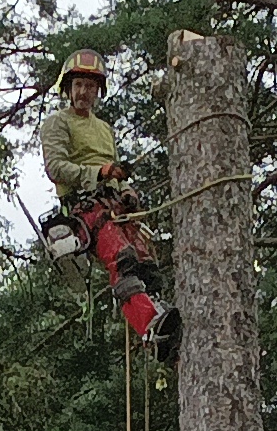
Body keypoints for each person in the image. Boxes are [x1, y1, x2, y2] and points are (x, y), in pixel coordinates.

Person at [34, 48, 178, 359]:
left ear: (99, 91)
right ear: (68, 89)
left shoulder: (103, 129)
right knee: (123, 260)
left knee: (147, 267)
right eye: (78, 85)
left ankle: (162, 322)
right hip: (86, 207)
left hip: (115, 205)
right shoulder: (57, 123)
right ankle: (149, 326)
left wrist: (126, 188)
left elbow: (113, 168)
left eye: (90, 85)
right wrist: (98, 172)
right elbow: (56, 168)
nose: (84, 92)